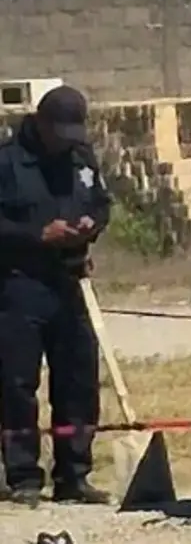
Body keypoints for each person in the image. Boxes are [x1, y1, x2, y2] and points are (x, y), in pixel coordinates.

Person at [0, 85, 111, 507]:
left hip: (70, 282)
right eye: (58, 132)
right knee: (17, 383)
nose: (64, 142)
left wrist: (90, 225)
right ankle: (24, 476)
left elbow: (102, 204)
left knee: (79, 379)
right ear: (40, 122)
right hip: (18, 285)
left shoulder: (81, 160)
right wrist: (36, 236)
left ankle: (75, 476)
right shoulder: (6, 162)